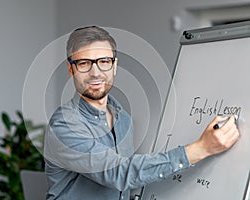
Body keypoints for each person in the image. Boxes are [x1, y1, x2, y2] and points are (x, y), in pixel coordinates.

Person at [44, 26, 240, 200]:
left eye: (104, 61)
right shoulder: (64, 125)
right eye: (84, 63)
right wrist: (201, 148)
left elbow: (123, 183)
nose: (95, 72)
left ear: (114, 65)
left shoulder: (123, 120)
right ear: (71, 69)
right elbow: (118, 174)